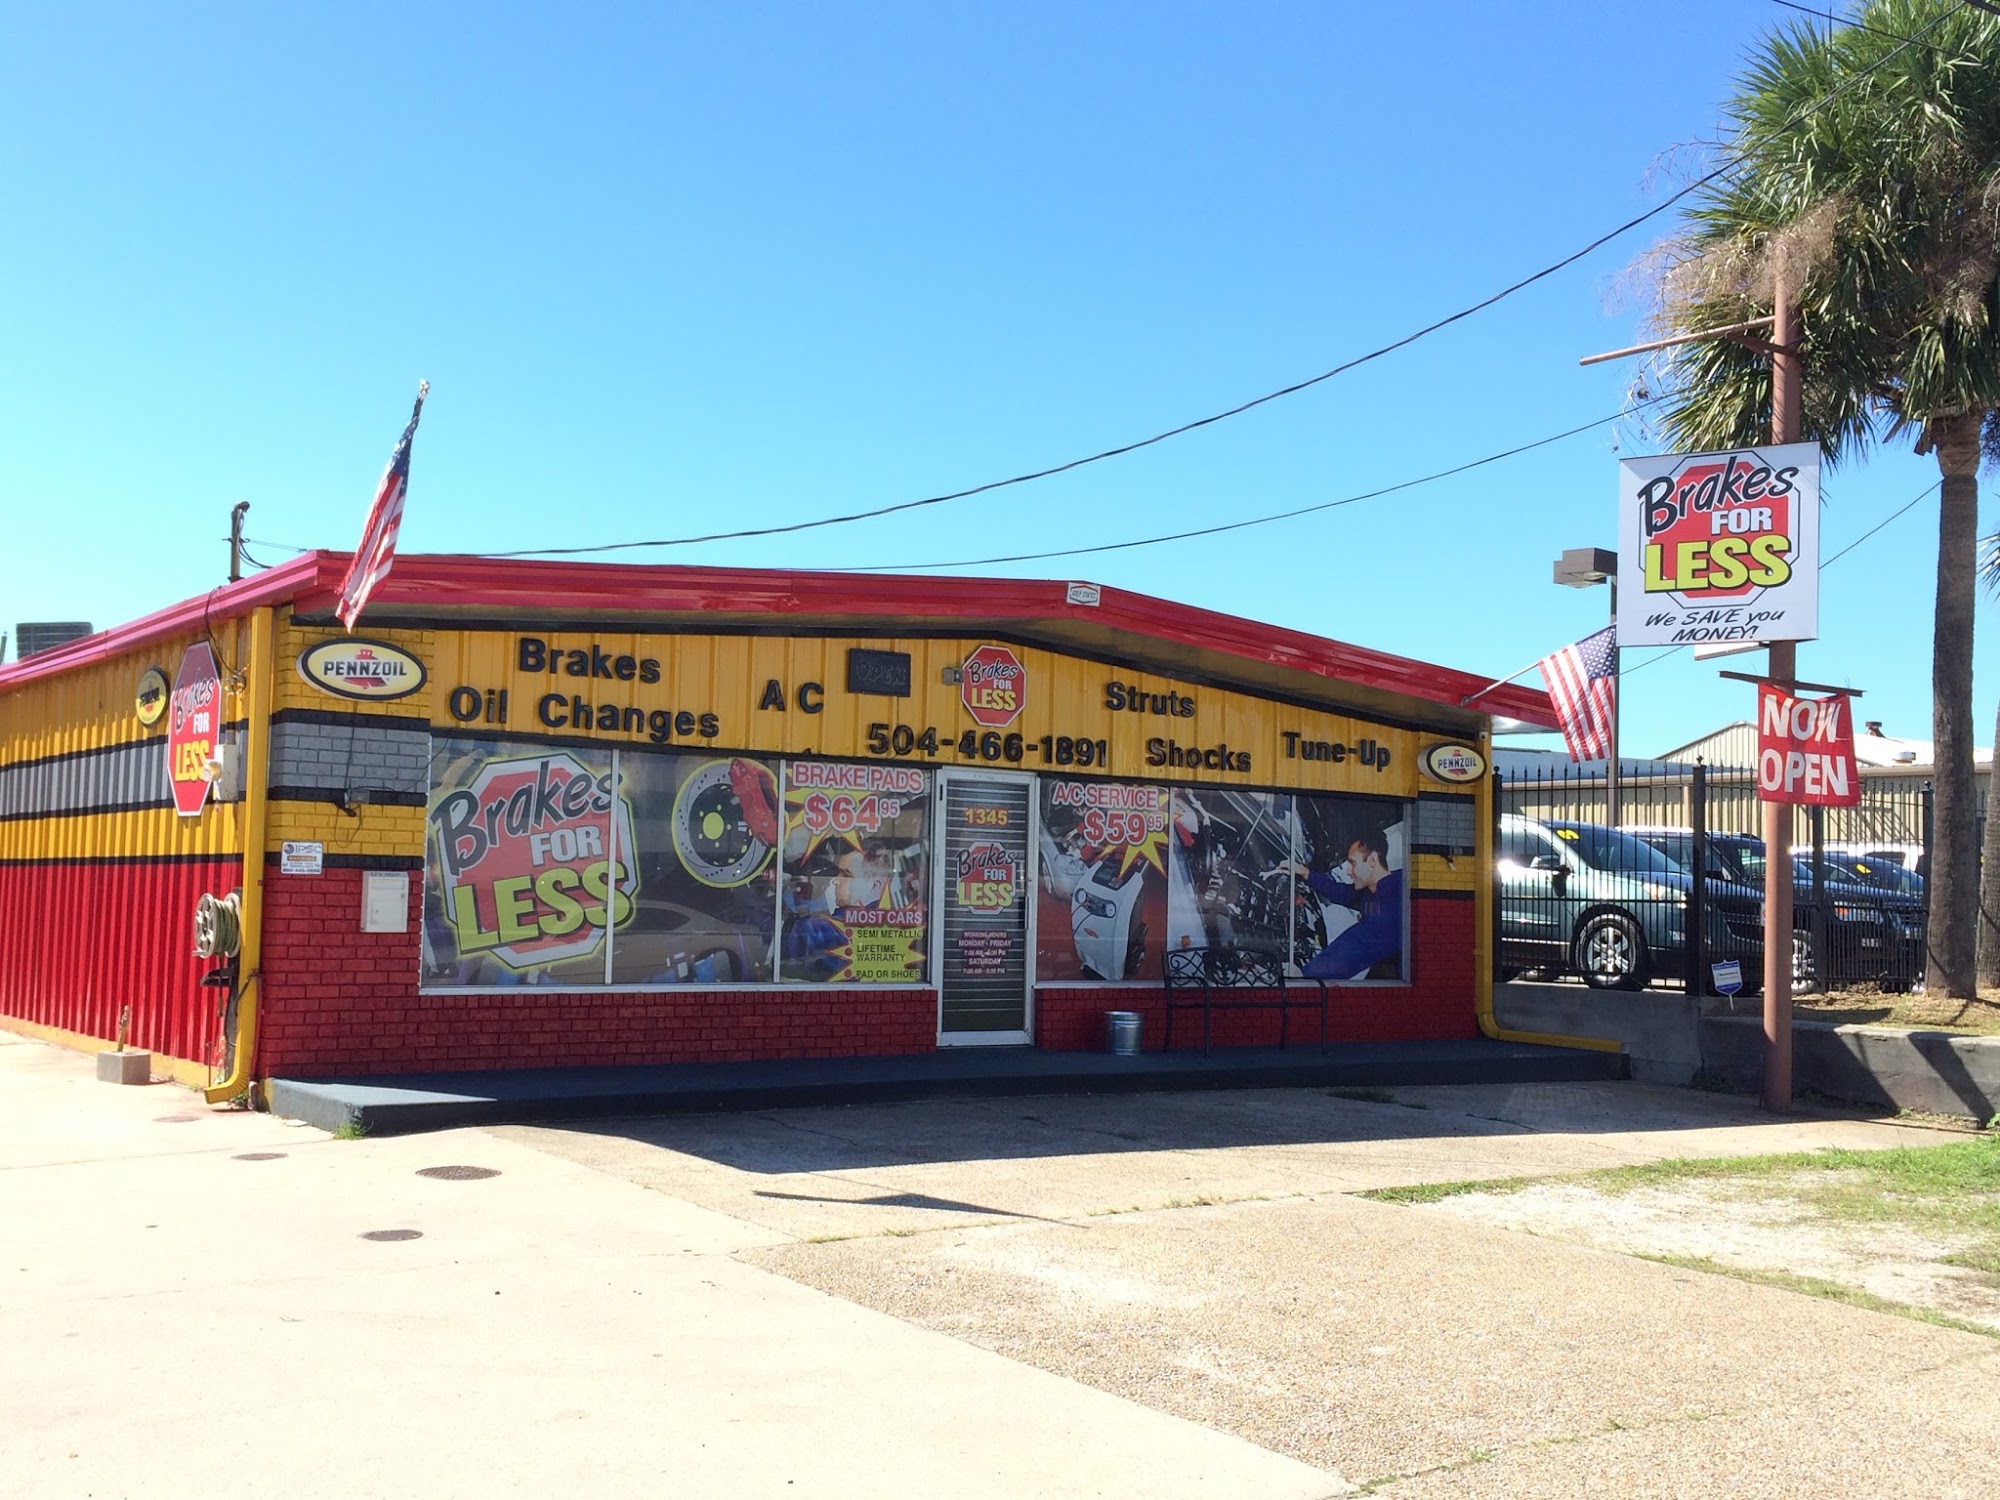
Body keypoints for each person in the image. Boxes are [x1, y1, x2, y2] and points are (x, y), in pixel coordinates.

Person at [1290, 828, 1403, 980]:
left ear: (1372, 860)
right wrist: (1305, 873)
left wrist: (1303, 975)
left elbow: (1357, 945)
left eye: (1353, 863)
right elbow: (1339, 892)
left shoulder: (1396, 897)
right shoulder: (1371, 891)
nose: (1349, 872)